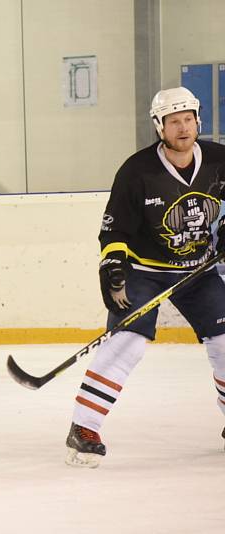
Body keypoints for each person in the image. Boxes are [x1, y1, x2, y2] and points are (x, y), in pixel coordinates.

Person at [67, 86, 225, 468]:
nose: (183, 128)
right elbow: (114, 230)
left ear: (197, 120)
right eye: (174, 121)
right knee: (127, 344)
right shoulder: (137, 171)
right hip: (146, 272)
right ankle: (83, 428)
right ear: (159, 126)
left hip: (198, 271)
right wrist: (113, 264)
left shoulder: (220, 159)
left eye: (188, 118)